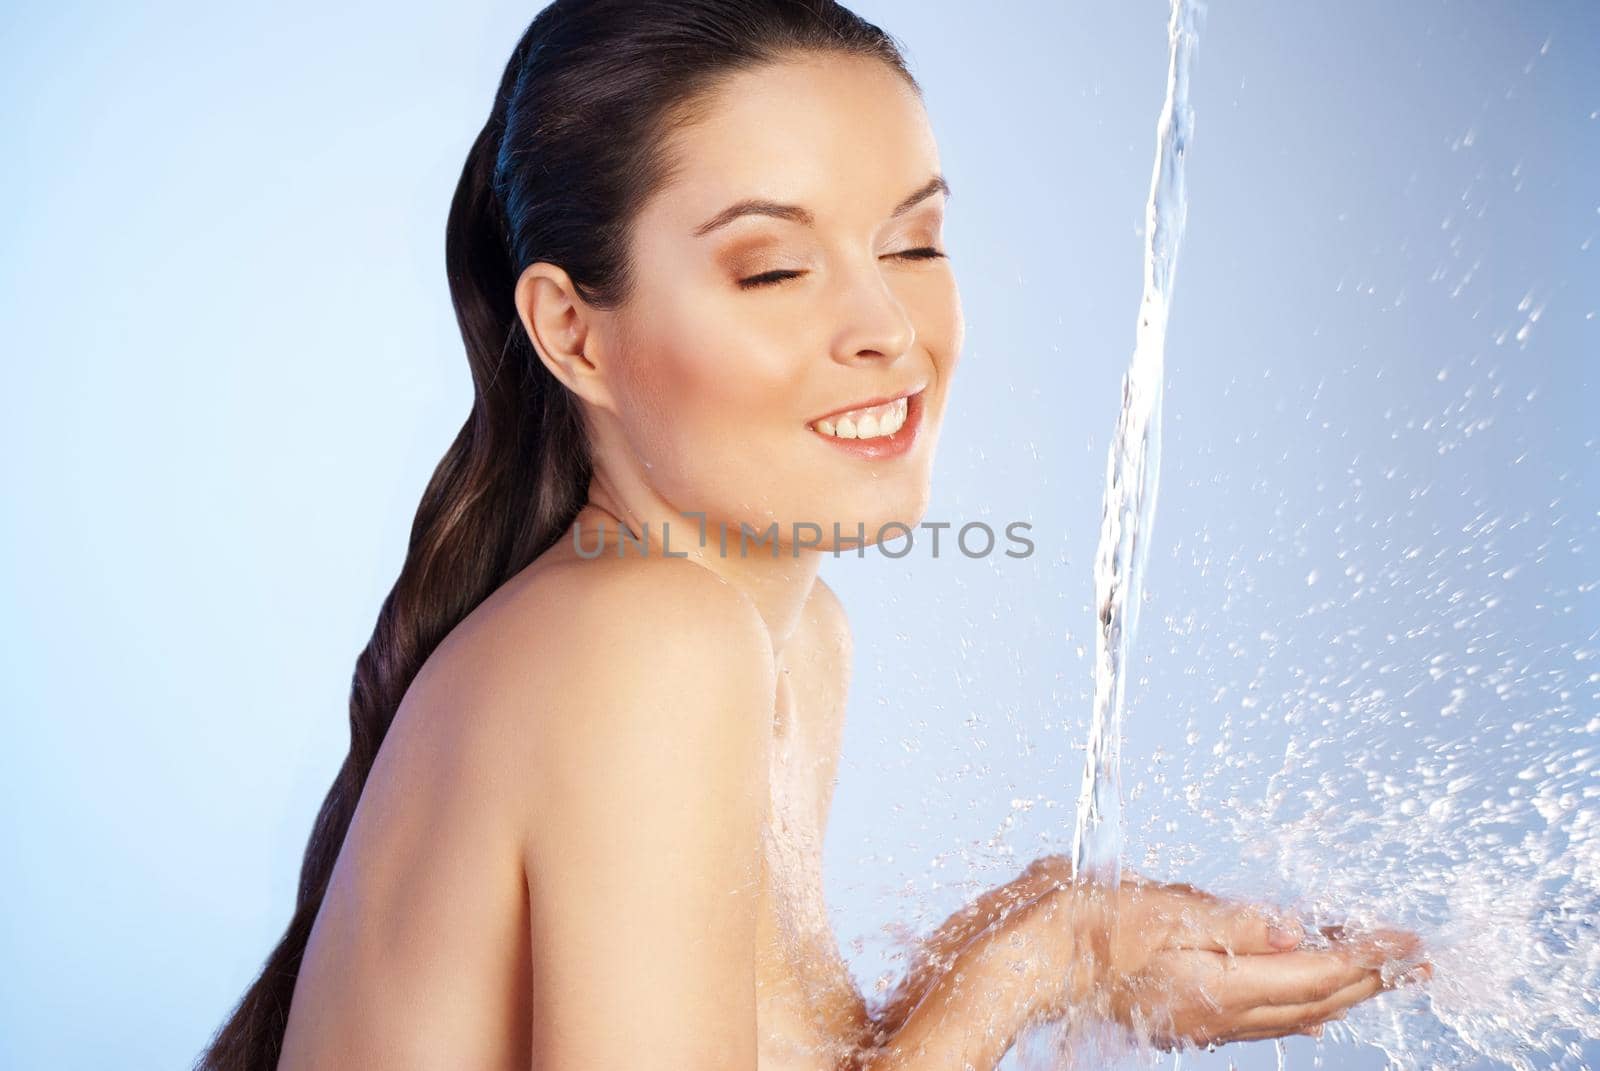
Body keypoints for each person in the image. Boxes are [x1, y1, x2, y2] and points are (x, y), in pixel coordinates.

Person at [197, 1, 1430, 1068]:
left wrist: (1055, 938)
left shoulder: (788, 638)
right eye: (773, 270)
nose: (888, 326)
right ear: (574, 334)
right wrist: (1036, 957)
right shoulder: (644, 643)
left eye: (913, 242)